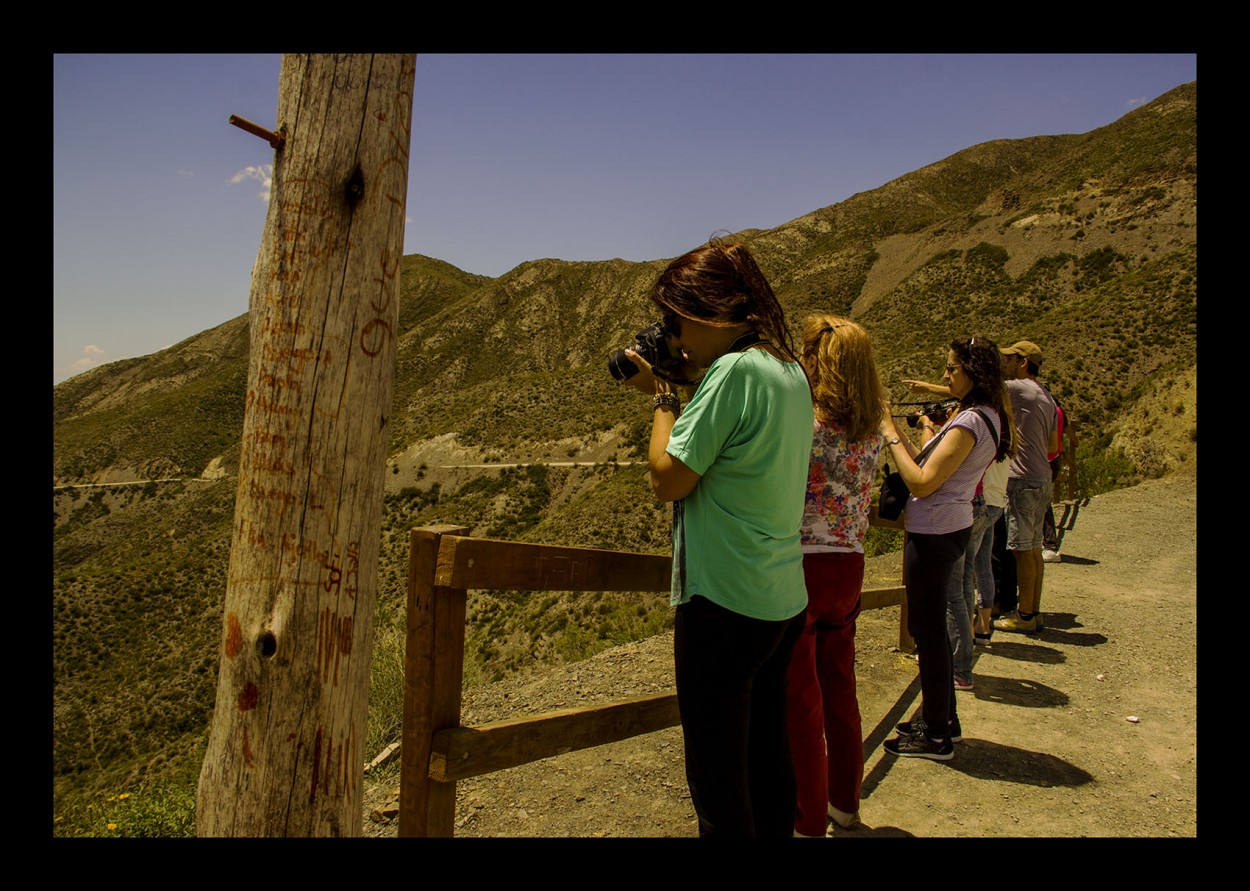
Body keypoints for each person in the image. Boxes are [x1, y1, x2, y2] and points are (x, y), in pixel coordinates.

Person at [620, 238, 813, 837]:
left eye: (679, 320)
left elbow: (669, 478)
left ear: (711, 310)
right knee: (766, 761)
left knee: (719, 780)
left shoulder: (731, 372)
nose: (675, 336)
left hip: (724, 600)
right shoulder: (787, 371)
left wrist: (662, 398)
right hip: (781, 596)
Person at [879, 337, 1014, 760]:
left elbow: (921, 481)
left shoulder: (970, 422)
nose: (945, 376)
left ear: (972, 372)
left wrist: (887, 432)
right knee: (931, 626)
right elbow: (926, 460)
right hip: (948, 528)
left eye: (951, 368)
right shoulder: (984, 416)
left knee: (928, 631)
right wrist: (896, 428)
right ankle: (943, 720)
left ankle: (936, 733)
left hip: (935, 532)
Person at [787, 315, 885, 837]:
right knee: (840, 690)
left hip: (801, 563)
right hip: (849, 564)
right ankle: (846, 801)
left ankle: (807, 818)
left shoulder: (805, 421)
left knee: (802, 700)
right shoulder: (869, 428)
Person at [993, 341, 1059, 635]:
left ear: (1022, 362)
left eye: (1009, 359)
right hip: (1041, 477)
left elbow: (977, 394)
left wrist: (930, 390)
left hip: (1022, 480)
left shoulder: (1017, 388)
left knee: (1021, 550)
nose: (1005, 364)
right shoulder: (1045, 395)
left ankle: (1025, 615)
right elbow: (1053, 446)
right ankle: (1034, 610)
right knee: (1033, 549)